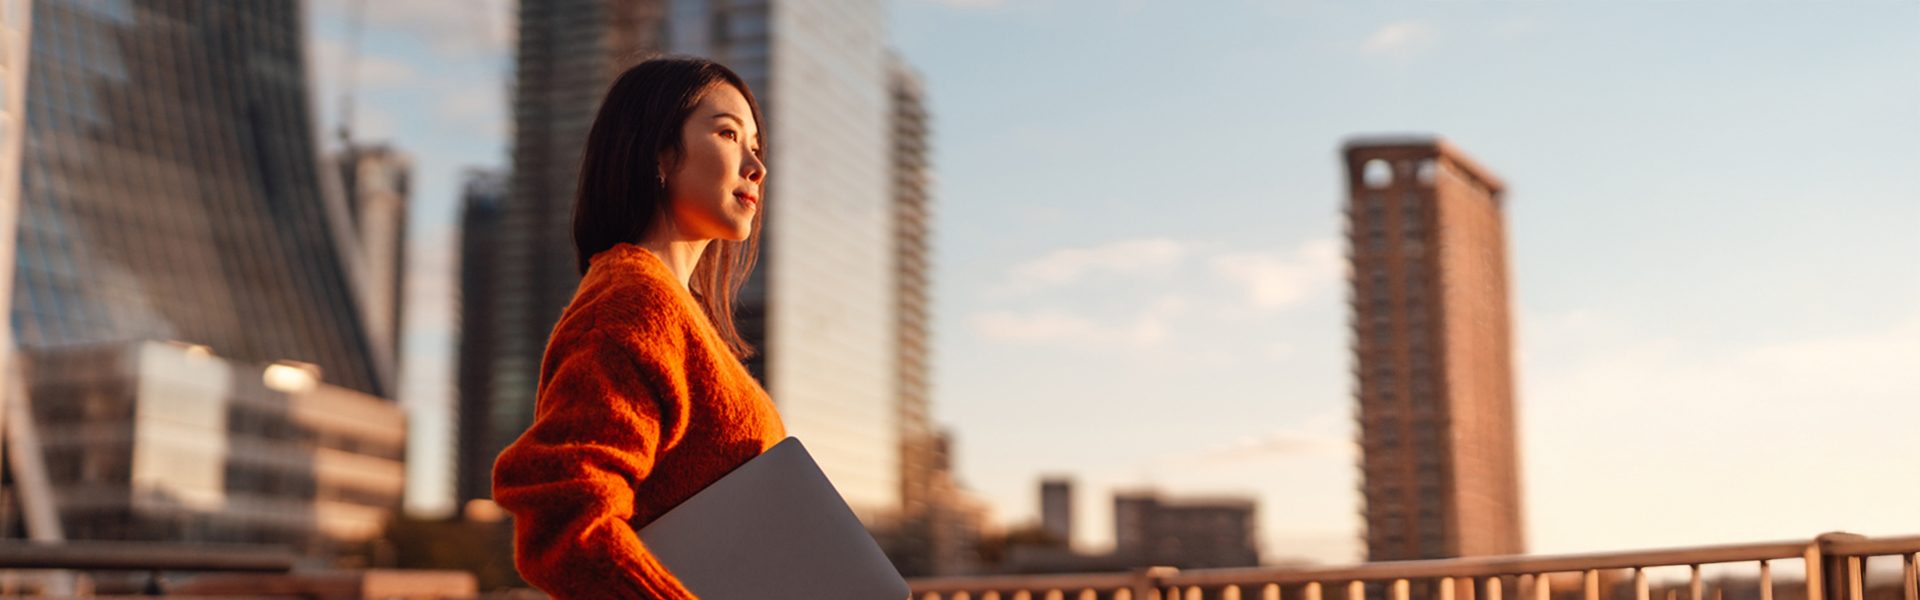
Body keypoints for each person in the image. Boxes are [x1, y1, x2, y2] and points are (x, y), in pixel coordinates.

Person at [491, 56, 780, 599]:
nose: (756, 167)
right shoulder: (633, 301)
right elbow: (565, 517)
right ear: (660, 152)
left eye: (756, 147)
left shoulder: (675, 310)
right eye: (728, 134)